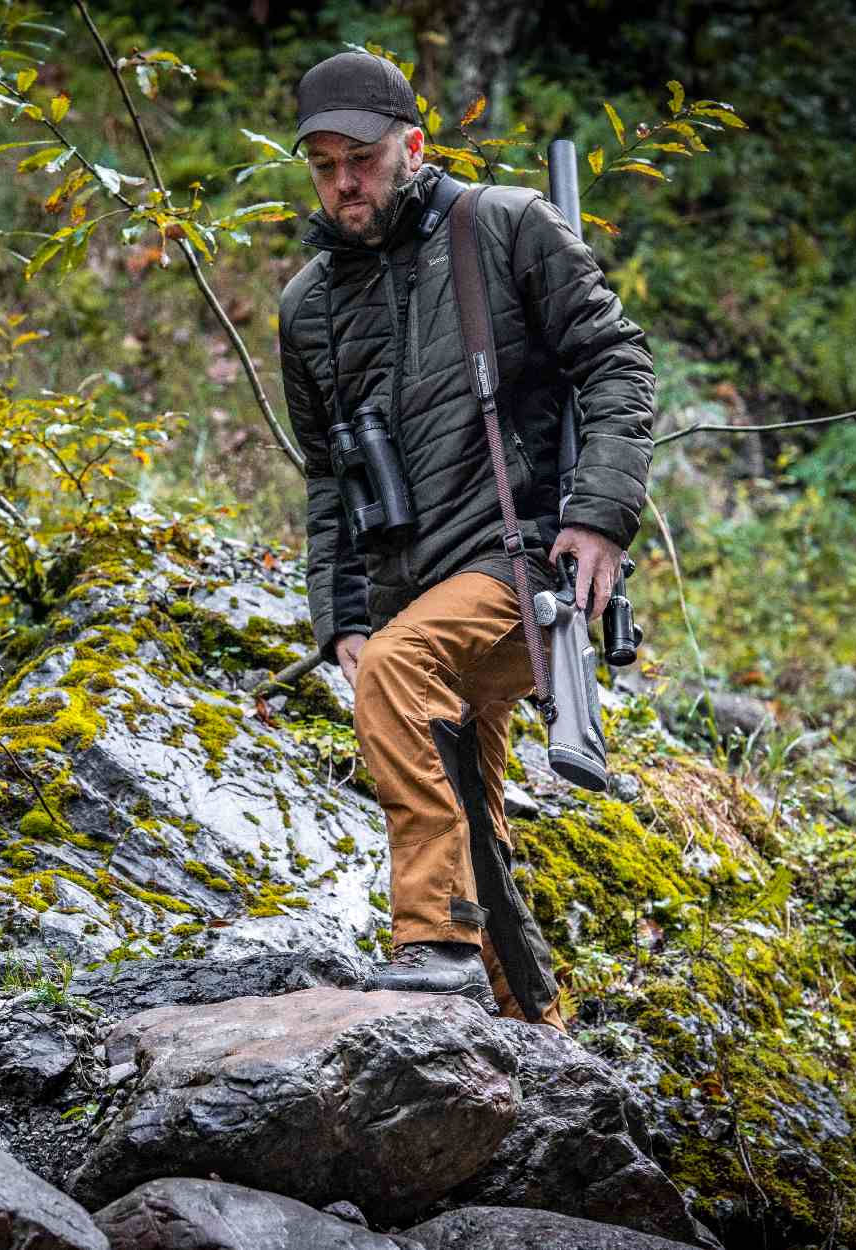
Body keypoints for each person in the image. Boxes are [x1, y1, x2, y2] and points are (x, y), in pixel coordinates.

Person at [279, 51, 654, 1031]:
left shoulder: (503, 225)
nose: (344, 182)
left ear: (411, 144)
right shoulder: (306, 305)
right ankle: (533, 1034)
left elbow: (616, 364)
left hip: (525, 560)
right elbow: (329, 478)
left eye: (358, 157)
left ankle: (430, 944)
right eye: (323, 164)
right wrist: (343, 618)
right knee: (471, 834)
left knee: (398, 675)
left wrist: (599, 514)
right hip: (411, 587)